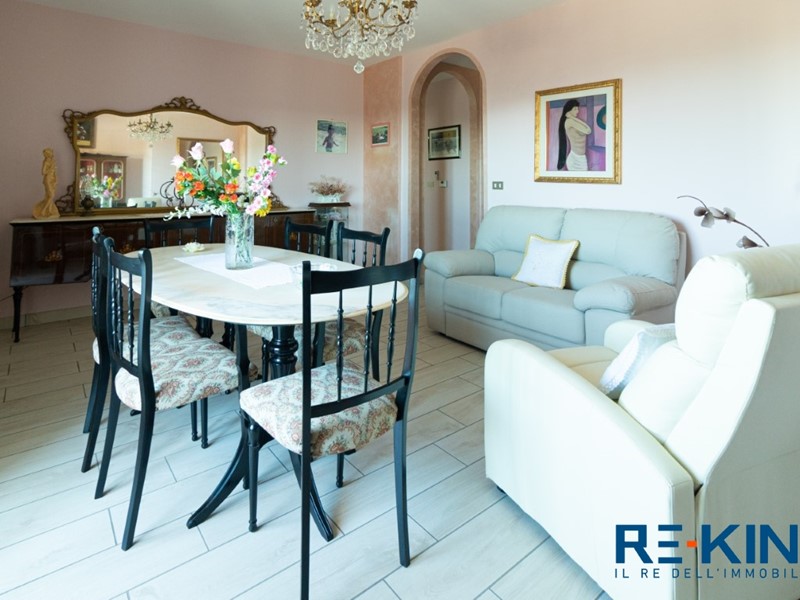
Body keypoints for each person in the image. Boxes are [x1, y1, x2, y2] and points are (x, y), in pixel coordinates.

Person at [556, 99, 592, 171]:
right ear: (569, 110)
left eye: (578, 109)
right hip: (574, 159)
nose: (577, 111)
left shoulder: (573, 120)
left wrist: (573, 117)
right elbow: (588, 131)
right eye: (575, 109)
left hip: (582, 158)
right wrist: (572, 118)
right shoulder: (569, 121)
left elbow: (588, 129)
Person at [32, 148, 60, 219]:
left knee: (48, 196)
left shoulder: (52, 161)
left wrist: (56, 180)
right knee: (51, 196)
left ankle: (49, 212)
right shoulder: (46, 161)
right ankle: (43, 211)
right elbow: (43, 172)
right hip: (48, 179)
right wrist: (50, 168)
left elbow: (54, 173)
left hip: (52, 180)